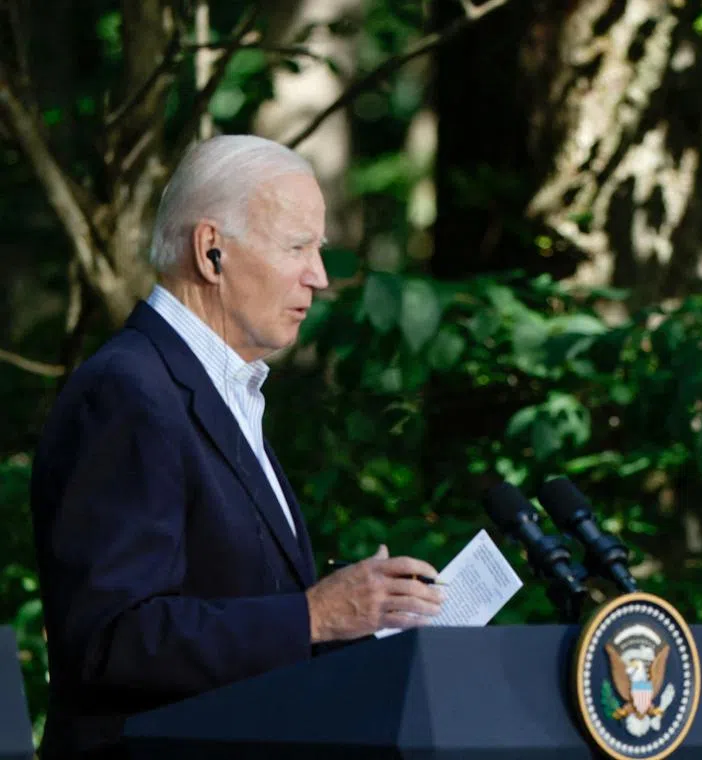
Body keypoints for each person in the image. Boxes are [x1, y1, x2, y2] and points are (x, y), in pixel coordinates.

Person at [29, 135, 444, 759]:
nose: (320, 276)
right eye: (297, 247)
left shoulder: (220, 390)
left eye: (319, 249)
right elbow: (110, 639)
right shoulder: (129, 392)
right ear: (211, 250)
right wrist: (314, 615)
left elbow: (234, 606)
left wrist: (365, 615)